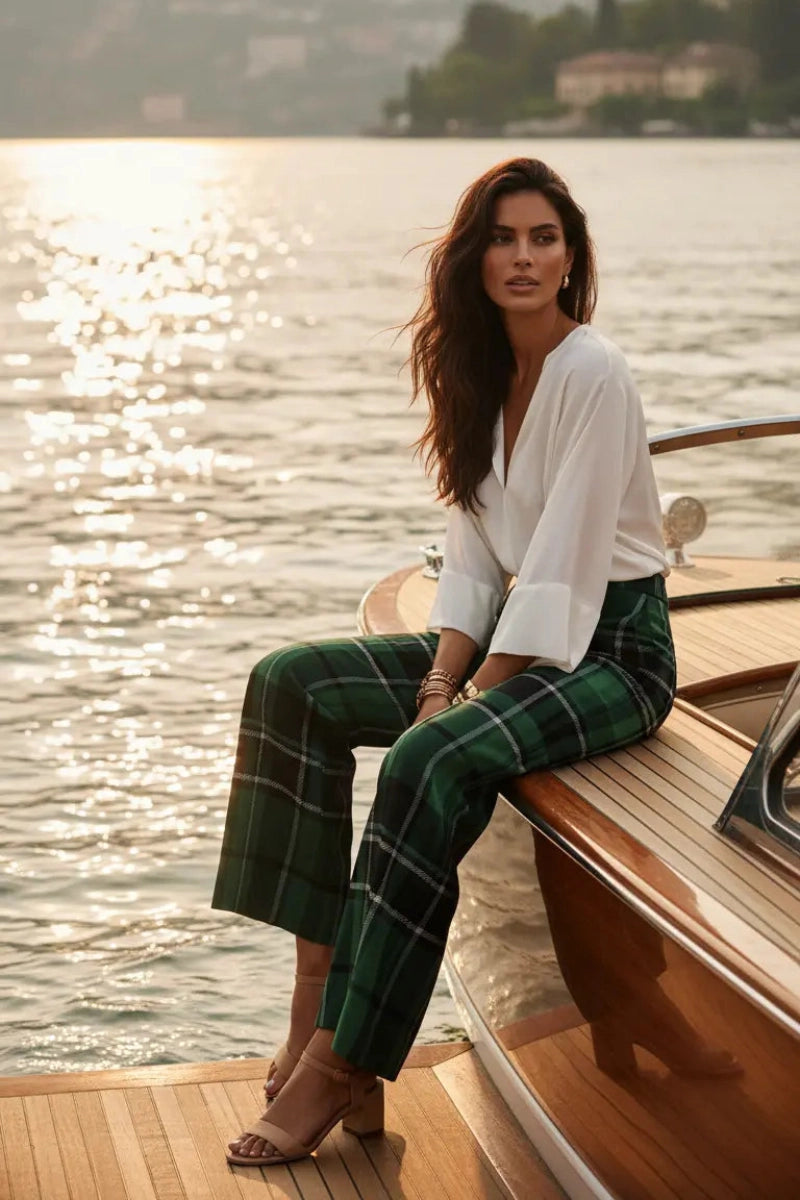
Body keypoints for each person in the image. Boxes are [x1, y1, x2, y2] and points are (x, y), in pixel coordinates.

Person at [213, 156, 676, 1167]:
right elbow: (473, 558)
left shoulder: (591, 370)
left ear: (569, 258)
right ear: (473, 258)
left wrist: (460, 704)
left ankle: (344, 1062)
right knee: (289, 685)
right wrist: (437, 684)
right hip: (516, 630)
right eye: (502, 238)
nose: (521, 257)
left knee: (428, 761)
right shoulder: (471, 369)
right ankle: (311, 1007)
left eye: (542, 239)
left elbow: (559, 571)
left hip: (614, 650)